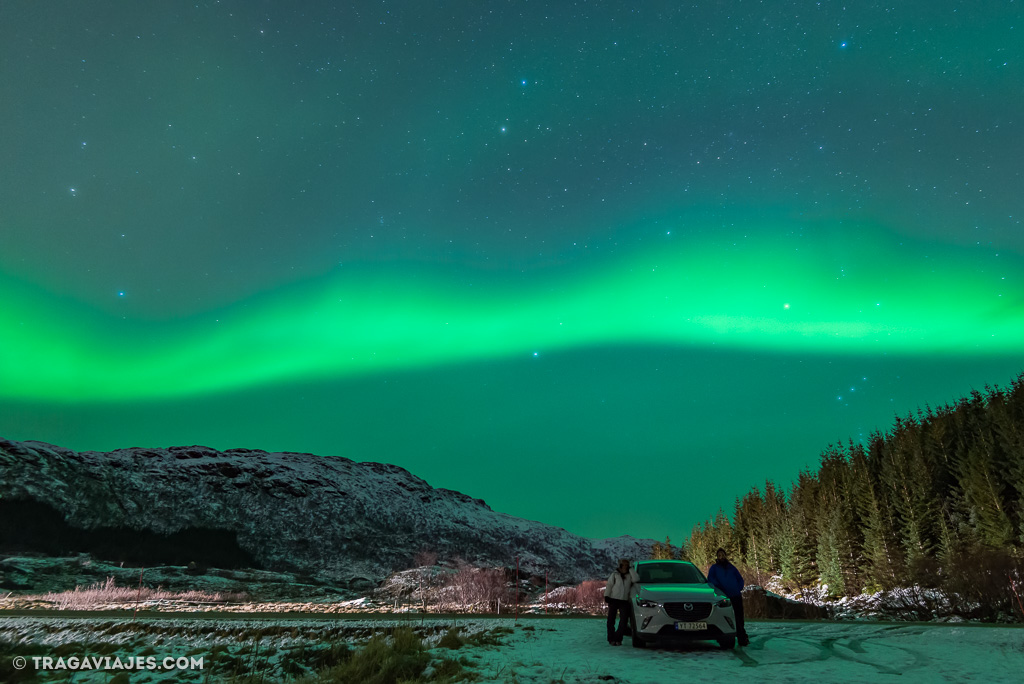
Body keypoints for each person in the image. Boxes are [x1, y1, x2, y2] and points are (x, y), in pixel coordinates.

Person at [706, 547, 749, 646]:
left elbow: (740, 579)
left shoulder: (731, 567)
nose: (721, 557)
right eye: (719, 555)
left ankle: (742, 637)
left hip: (736, 595)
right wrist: (721, 589)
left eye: (723, 555)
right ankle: (728, 637)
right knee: (727, 617)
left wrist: (738, 588)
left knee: (739, 617)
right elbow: (711, 580)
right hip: (724, 597)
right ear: (717, 557)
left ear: (725, 556)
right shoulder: (714, 568)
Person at [604, 558, 638, 645]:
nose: (625, 566)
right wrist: (606, 596)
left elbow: (636, 579)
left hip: (624, 600)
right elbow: (609, 585)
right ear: (620, 565)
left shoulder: (630, 574)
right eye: (624, 564)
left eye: (627, 564)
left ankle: (618, 638)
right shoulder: (615, 574)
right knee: (611, 620)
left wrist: (631, 570)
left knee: (623, 621)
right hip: (613, 599)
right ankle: (611, 639)